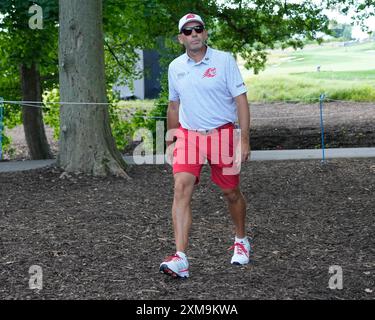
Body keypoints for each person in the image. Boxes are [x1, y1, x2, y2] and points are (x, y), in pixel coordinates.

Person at [159, 13, 252, 279]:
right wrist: (170, 139)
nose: (194, 34)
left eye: (198, 29)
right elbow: (174, 105)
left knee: (231, 192)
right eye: (187, 31)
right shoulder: (175, 67)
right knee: (181, 188)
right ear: (181, 38)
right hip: (189, 135)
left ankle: (241, 240)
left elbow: (241, 101)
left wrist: (244, 138)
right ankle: (180, 258)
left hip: (223, 134)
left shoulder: (224, 61)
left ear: (205, 33)